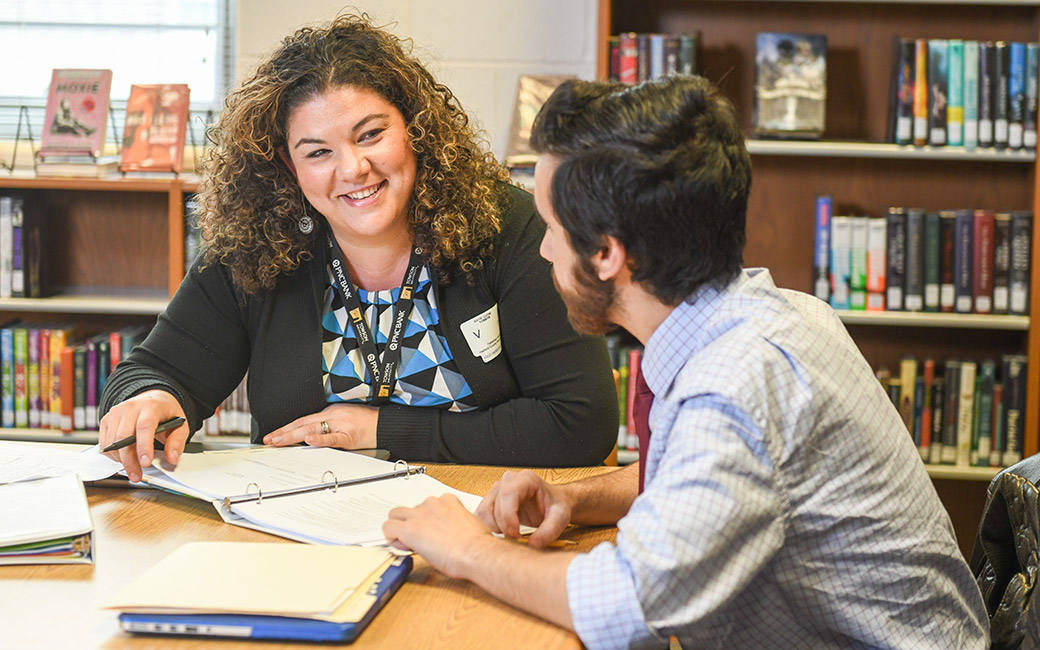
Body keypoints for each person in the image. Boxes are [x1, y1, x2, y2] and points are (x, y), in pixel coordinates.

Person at [382, 75, 989, 649]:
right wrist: (575, 499)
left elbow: (624, 606)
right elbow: (694, 477)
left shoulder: (734, 386)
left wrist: (465, 550)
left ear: (607, 254)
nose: (542, 250)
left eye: (550, 228)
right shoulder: (775, 314)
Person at [98, 14, 618, 483]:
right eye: (318, 152)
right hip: (298, 530)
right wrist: (151, 399)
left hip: (472, 514)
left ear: (415, 127)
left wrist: (381, 428)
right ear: (288, 166)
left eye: (370, 135)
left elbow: (581, 421)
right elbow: (151, 372)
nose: (352, 169)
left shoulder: (505, 225)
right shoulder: (256, 245)